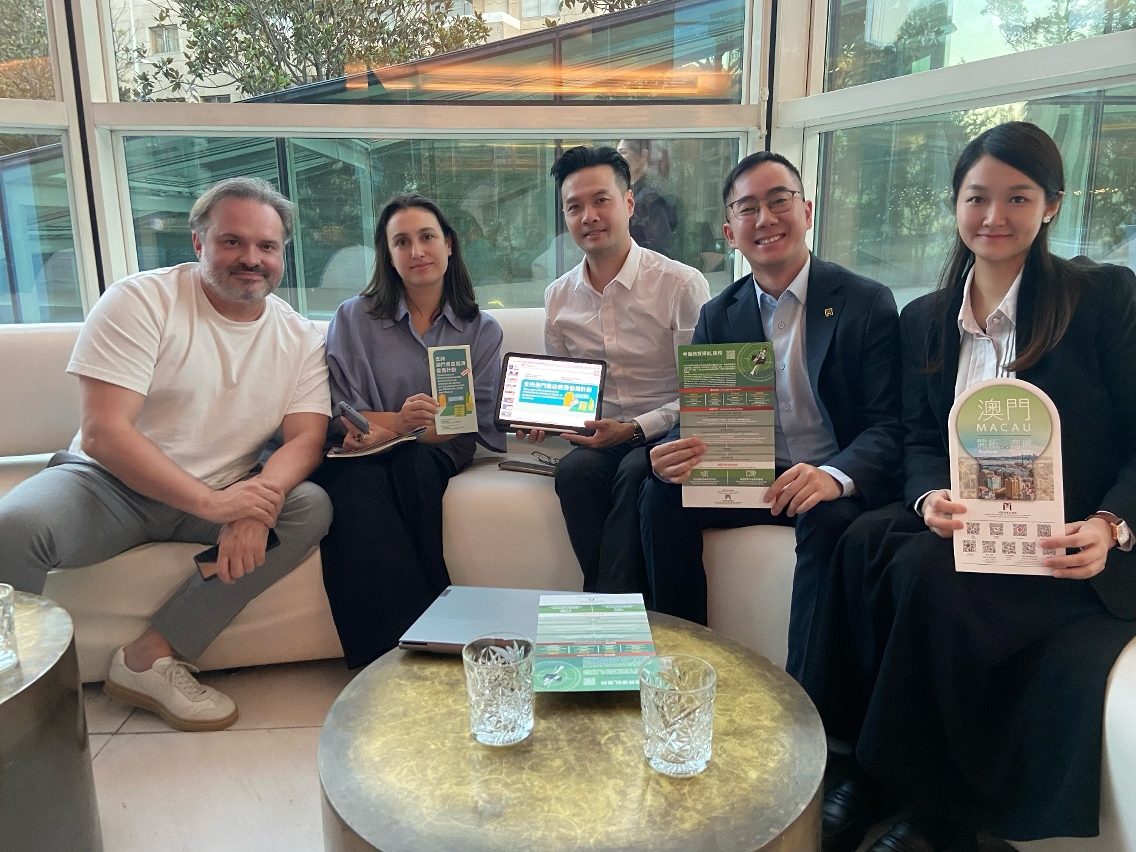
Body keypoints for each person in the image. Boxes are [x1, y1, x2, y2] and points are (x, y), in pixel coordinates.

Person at [812, 122, 1136, 852]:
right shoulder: (926, 319)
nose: (995, 216)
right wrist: (928, 497)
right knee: (858, 540)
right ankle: (855, 758)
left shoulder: (1101, 299)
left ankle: (936, 810)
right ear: (955, 204)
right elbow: (921, 439)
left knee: (931, 576)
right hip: (967, 522)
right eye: (977, 197)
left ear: (1052, 204)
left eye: (1018, 197)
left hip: (1067, 538)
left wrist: (1111, 525)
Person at [0, 177, 333, 732]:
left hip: (225, 487)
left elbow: (304, 439)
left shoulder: (300, 338)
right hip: (107, 486)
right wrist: (214, 505)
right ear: (199, 242)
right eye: (232, 241)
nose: (251, 259)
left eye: (267, 246)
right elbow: (104, 433)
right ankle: (18, 701)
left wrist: (256, 504)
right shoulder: (140, 300)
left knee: (309, 506)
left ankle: (148, 659)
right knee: (13, 528)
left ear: (282, 255)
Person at [640, 151, 903, 687]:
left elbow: (888, 425)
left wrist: (834, 477)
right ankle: (683, 672)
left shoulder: (865, 302)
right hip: (751, 474)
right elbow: (702, 414)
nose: (765, 219)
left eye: (779, 201)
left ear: (807, 211)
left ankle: (803, 700)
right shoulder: (720, 313)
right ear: (730, 232)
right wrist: (673, 450)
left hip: (826, 480)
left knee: (826, 520)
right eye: (747, 208)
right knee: (659, 496)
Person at [313, 193, 505, 669]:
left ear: (449, 245)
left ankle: (413, 641)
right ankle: (398, 649)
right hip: (361, 449)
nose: (417, 251)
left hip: (436, 450)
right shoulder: (353, 318)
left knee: (412, 463)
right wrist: (392, 425)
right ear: (388, 253)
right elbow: (340, 411)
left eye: (427, 237)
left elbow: (462, 422)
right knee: (357, 485)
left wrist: (400, 433)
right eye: (402, 241)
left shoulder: (480, 330)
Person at [522, 146, 710, 599]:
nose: (588, 216)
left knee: (634, 469)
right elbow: (567, 389)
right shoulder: (558, 297)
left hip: (669, 431)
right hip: (600, 437)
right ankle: (615, 607)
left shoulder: (680, 285)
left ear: (628, 203)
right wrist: (546, 417)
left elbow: (702, 392)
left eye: (600, 200)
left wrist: (633, 430)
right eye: (574, 207)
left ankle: (605, 607)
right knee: (575, 473)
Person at [617, 139, 679, 257]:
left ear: (643, 156)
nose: (618, 158)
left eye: (623, 152)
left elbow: (659, 248)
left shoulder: (652, 199)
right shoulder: (624, 192)